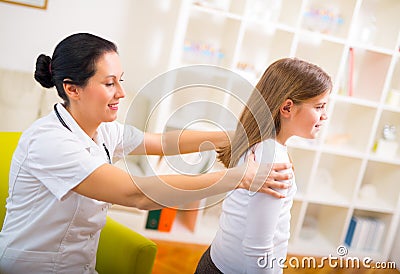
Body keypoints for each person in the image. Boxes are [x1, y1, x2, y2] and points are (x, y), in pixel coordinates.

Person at [0, 33, 291, 274]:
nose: (121, 93)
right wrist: (236, 177)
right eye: (109, 83)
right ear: (72, 89)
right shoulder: (49, 142)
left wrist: (237, 137)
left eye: (120, 81)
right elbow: (136, 194)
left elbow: (163, 142)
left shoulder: (101, 130)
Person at [195, 58, 332, 273]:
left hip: (216, 261)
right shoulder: (274, 161)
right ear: (287, 107)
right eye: (319, 106)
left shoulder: (255, 140)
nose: (325, 115)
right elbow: (257, 248)